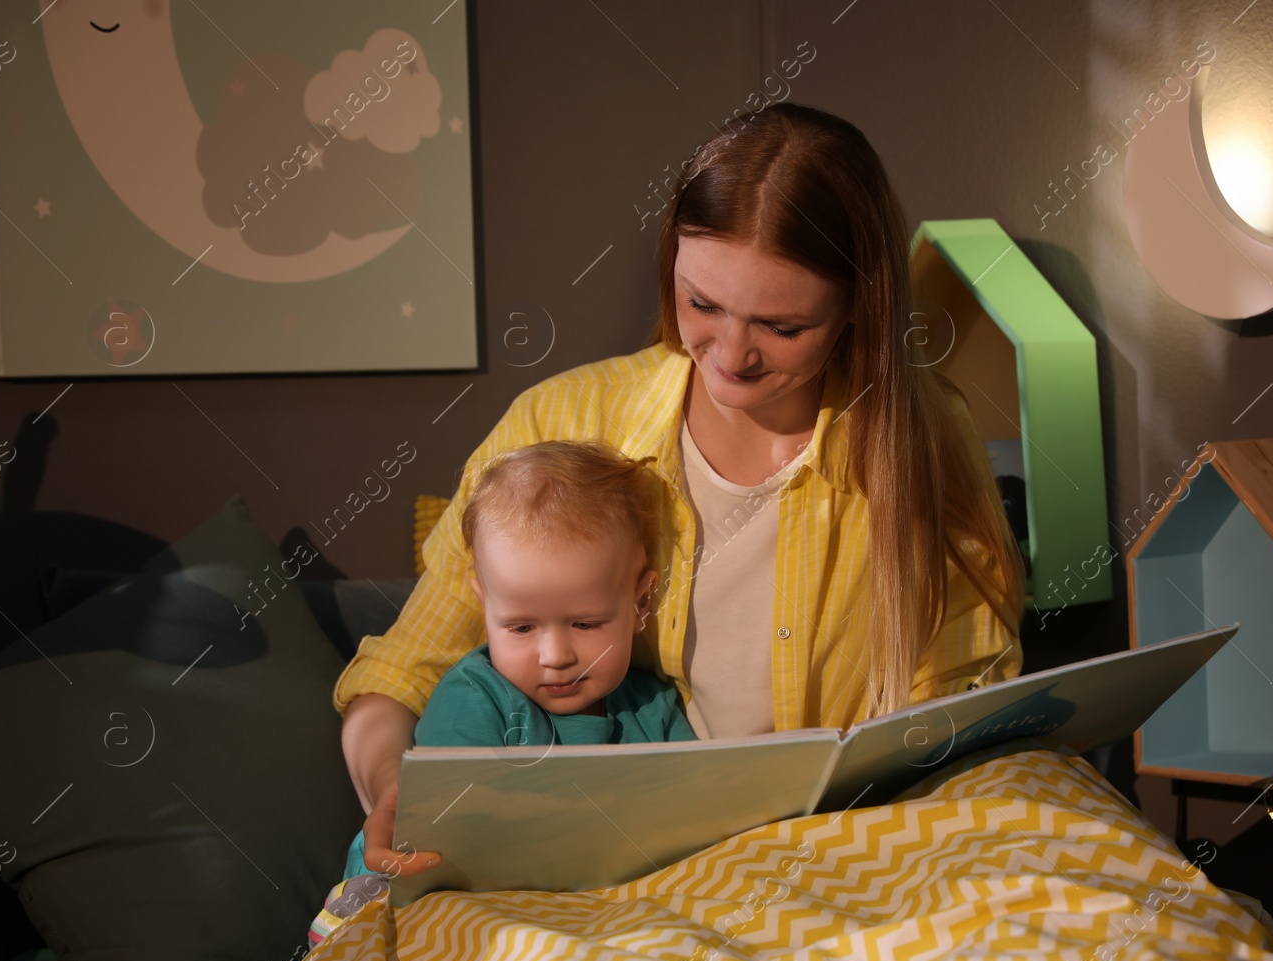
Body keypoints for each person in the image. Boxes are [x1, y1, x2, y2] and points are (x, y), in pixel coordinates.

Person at [334, 101, 1027, 879]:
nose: (730, 355)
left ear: (855, 309)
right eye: (702, 304)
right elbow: (401, 672)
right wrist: (393, 782)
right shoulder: (560, 420)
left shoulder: (927, 439)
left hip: (842, 865)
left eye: (782, 327)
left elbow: (965, 704)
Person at [310, 441, 696, 941]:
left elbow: (690, 833)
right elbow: (456, 855)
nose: (555, 655)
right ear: (483, 603)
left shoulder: (655, 708)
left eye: (585, 622)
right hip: (432, 905)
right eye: (519, 628)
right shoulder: (475, 698)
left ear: (641, 601)